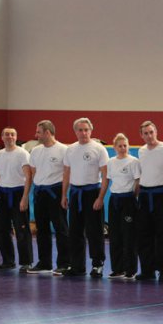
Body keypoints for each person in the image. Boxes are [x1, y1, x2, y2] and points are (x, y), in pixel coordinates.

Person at [61, 117, 109, 277]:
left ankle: (97, 264)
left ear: (91, 131)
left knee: (94, 230)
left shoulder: (99, 149)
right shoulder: (70, 149)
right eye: (80, 130)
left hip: (92, 192)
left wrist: (100, 197)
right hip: (75, 193)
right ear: (75, 132)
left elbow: (105, 175)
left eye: (86, 130)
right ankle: (77, 265)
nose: (83, 133)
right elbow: (66, 173)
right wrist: (64, 195)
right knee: (74, 230)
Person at [26, 120, 70, 274]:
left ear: (47, 132)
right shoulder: (35, 151)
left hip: (56, 191)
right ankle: (45, 263)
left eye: (38, 132)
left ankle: (64, 263)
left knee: (60, 228)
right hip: (40, 192)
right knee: (42, 229)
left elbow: (67, 174)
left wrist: (63, 195)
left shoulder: (64, 150)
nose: (36, 135)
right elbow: (33, 172)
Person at [135, 120, 163, 281]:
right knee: (144, 234)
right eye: (146, 133)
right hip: (145, 195)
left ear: (156, 132)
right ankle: (147, 270)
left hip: (161, 195)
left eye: (151, 132)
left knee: (162, 234)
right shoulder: (141, 151)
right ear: (141, 135)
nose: (149, 136)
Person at [0, 126, 33, 272]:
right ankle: (8, 260)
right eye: (7, 134)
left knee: (22, 229)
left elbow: (28, 176)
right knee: (1, 229)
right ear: (2, 137)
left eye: (12, 134)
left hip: (18, 193)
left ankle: (26, 262)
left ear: (16, 137)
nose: (9, 137)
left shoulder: (22, 154)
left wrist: (25, 197)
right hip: (2, 194)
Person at [106, 133, 140, 279]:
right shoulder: (111, 162)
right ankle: (117, 268)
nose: (123, 148)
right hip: (114, 200)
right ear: (114, 147)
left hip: (128, 200)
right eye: (120, 146)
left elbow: (138, 181)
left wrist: (133, 197)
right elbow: (109, 180)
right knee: (115, 235)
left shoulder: (133, 161)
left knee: (129, 235)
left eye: (125, 145)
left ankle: (130, 269)